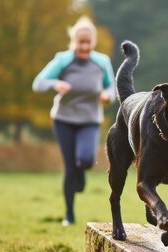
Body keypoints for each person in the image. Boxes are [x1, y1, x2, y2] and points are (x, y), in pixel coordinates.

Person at [32, 16, 115, 227]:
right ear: (74, 41)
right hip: (63, 119)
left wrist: (106, 95)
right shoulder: (63, 60)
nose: (85, 46)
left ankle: (82, 170)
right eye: (81, 42)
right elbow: (38, 83)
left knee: (86, 160)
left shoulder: (101, 62)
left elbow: (111, 88)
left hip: (89, 119)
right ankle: (69, 215)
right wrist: (55, 84)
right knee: (70, 166)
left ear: (93, 42)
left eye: (88, 42)